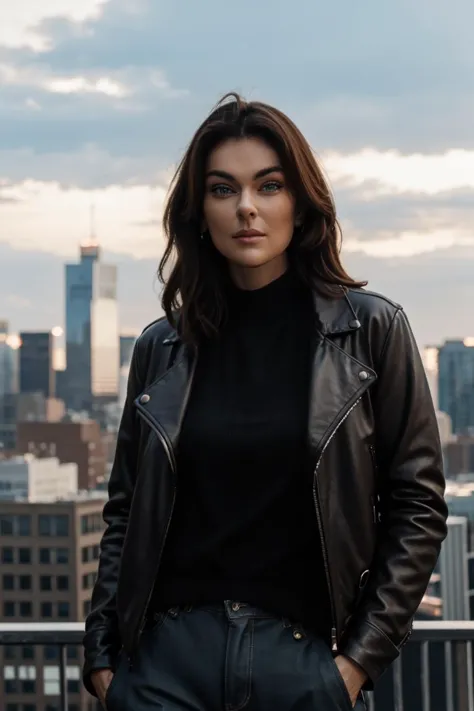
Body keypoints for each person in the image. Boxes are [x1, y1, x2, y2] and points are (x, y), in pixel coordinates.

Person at [83, 93, 448, 710]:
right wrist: (104, 657)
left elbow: (417, 506)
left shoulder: (370, 331)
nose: (246, 208)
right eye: (223, 189)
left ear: (300, 205)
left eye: (269, 186)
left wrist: (355, 665)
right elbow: (124, 510)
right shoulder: (161, 348)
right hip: (166, 667)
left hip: (303, 664)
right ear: (199, 211)